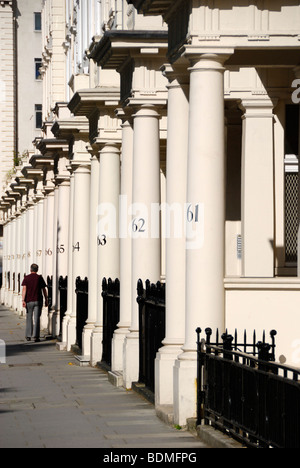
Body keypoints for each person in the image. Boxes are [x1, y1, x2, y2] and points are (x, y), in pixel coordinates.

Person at [22, 264, 48, 342]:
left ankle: (28, 335)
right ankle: (36, 336)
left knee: (29, 317)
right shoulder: (39, 278)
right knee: (37, 318)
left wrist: (23, 300)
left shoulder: (26, 278)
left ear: (30, 269)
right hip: (38, 300)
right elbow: (44, 289)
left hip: (29, 300)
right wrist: (46, 299)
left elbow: (24, 289)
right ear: (37, 270)